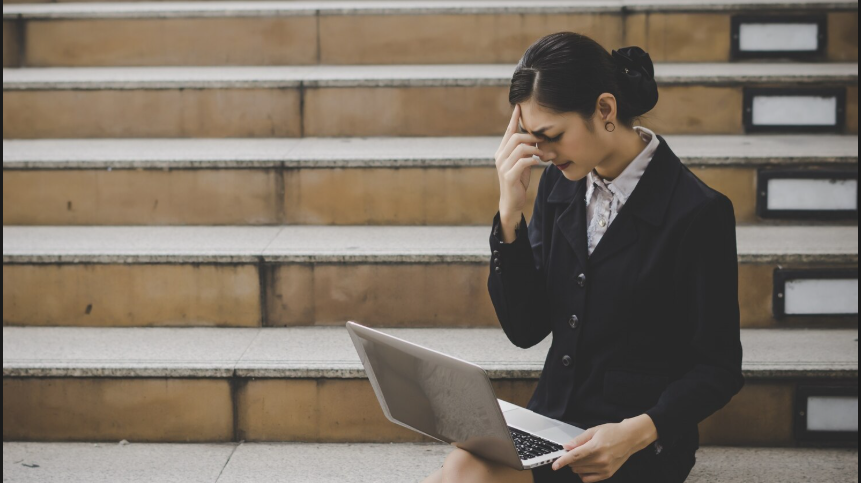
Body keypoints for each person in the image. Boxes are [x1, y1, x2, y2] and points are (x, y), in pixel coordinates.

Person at [420, 32, 745, 483]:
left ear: (605, 110)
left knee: (467, 475)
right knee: (462, 465)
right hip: (552, 420)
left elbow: (719, 369)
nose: (542, 155)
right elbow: (526, 328)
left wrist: (636, 432)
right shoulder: (559, 185)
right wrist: (509, 214)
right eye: (530, 138)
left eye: (551, 136)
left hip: (633, 443)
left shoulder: (698, 212)